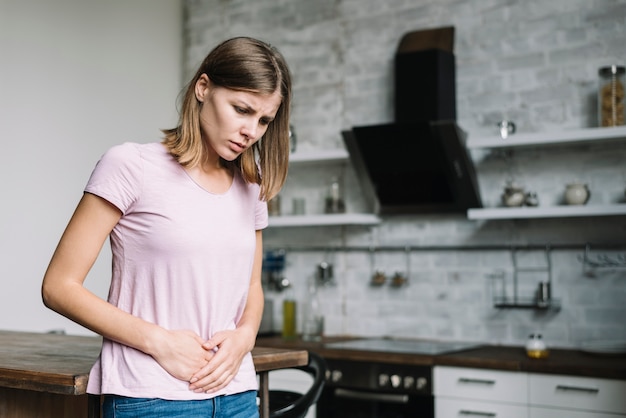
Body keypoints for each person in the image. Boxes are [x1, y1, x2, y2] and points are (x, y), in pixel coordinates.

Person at [41, 36, 292, 418]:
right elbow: (58, 287)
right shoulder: (131, 166)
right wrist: (160, 342)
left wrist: (244, 338)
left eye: (264, 120)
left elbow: (251, 286)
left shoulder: (252, 185)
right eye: (241, 110)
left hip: (237, 394)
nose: (251, 131)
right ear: (203, 88)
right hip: (150, 397)